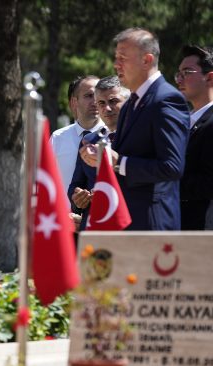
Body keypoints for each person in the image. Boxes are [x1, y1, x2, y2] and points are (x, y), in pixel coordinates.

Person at [81, 28, 189, 230]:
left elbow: (172, 167)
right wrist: (102, 157)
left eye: (123, 58)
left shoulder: (167, 100)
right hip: (127, 221)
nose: (116, 65)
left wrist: (119, 162)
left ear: (146, 60)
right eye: (116, 58)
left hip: (152, 224)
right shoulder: (132, 102)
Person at [68, 76, 130, 230]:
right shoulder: (89, 140)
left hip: (128, 224)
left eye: (113, 101)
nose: (107, 108)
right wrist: (78, 198)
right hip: (93, 227)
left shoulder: (139, 137)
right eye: (101, 103)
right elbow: (76, 184)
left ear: (128, 102)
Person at [176, 45, 213, 230]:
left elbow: (209, 182)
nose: (179, 79)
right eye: (178, 74)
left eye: (187, 72)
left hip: (202, 229)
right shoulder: (183, 121)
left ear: (210, 77)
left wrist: (165, 179)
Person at [51, 76, 104, 196]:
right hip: (64, 213)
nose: (95, 101)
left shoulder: (113, 137)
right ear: (74, 102)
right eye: (89, 96)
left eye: (98, 95)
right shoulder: (57, 138)